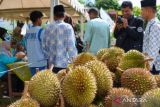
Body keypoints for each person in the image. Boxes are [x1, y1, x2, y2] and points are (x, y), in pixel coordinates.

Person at [43, 5, 77, 73]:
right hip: (64, 63)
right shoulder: (68, 27)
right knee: (64, 83)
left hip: (51, 64)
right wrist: (74, 61)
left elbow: (44, 45)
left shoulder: (48, 27)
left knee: (54, 83)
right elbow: (71, 46)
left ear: (54, 15)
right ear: (64, 15)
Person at [25, 11, 47, 76]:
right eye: (41, 19)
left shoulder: (28, 32)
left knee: (34, 84)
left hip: (31, 63)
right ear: (38, 19)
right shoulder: (41, 31)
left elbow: (27, 46)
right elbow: (45, 47)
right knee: (42, 83)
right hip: (41, 63)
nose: (41, 21)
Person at [141, 0, 160, 74]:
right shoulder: (150, 24)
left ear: (148, 10)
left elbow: (153, 49)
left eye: (142, 10)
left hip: (153, 66)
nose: (141, 12)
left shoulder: (154, 26)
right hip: (150, 64)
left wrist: (147, 67)